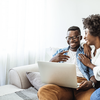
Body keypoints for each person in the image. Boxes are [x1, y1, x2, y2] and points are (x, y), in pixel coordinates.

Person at [37, 26, 96, 100]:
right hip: (63, 85)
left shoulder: (86, 51)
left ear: (80, 37)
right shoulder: (60, 52)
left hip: (82, 84)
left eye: (74, 37)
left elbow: (93, 72)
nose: (71, 40)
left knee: (91, 98)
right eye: (68, 37)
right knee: (43, 91)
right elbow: (47, 71)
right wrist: (53, 59)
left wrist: (91, 83)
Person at [78, 14, 100, 100]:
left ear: (95, 32)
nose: (84, 36)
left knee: (95, 97)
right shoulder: (92, 48)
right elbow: (77, 42)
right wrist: (84, 45)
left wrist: (89, 64)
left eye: (86, 33)